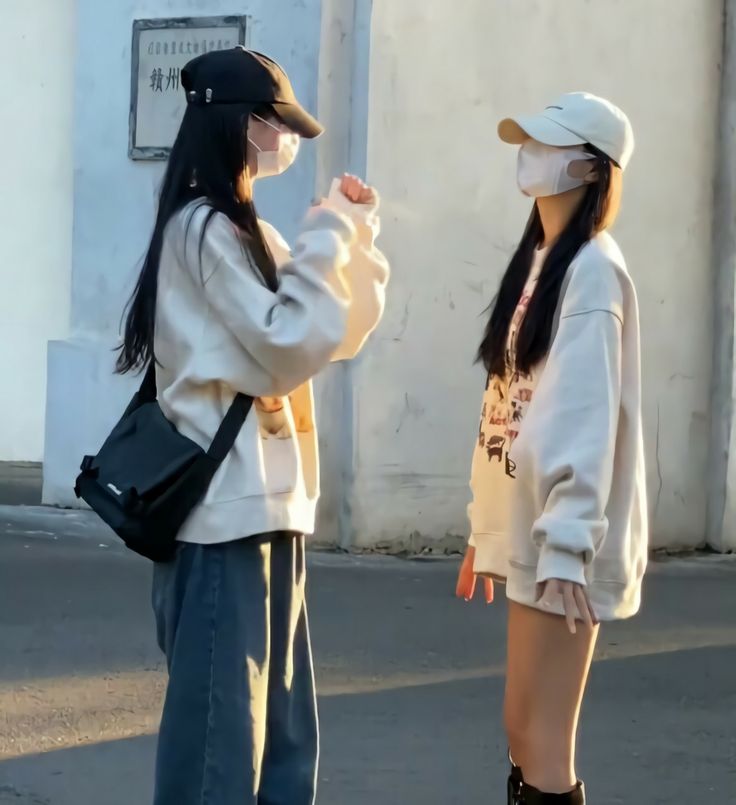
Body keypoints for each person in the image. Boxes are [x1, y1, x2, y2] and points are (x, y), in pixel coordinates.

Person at [116, 47, 389, 805]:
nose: (284, 139)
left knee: (281, 742)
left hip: (270, 514)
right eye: (275, 123)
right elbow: (283, 345)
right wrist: (331, 235)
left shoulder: (250, 234)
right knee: (219, 748)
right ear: (238, 123)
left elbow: (331, 332)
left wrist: (355, 243)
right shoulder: (200, 231)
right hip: (218, 522)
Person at [456, 92, 647, 804]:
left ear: (593, 169)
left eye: (547, 143)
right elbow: (505, 403)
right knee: (520, 726)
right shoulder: (538, 261)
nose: (528, 154)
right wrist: (488, 524)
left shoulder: (594, 269)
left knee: (544, 740)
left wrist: (567, 540)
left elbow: (583, 415)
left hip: (569, 538)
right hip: (536, 528)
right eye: (527, 141)